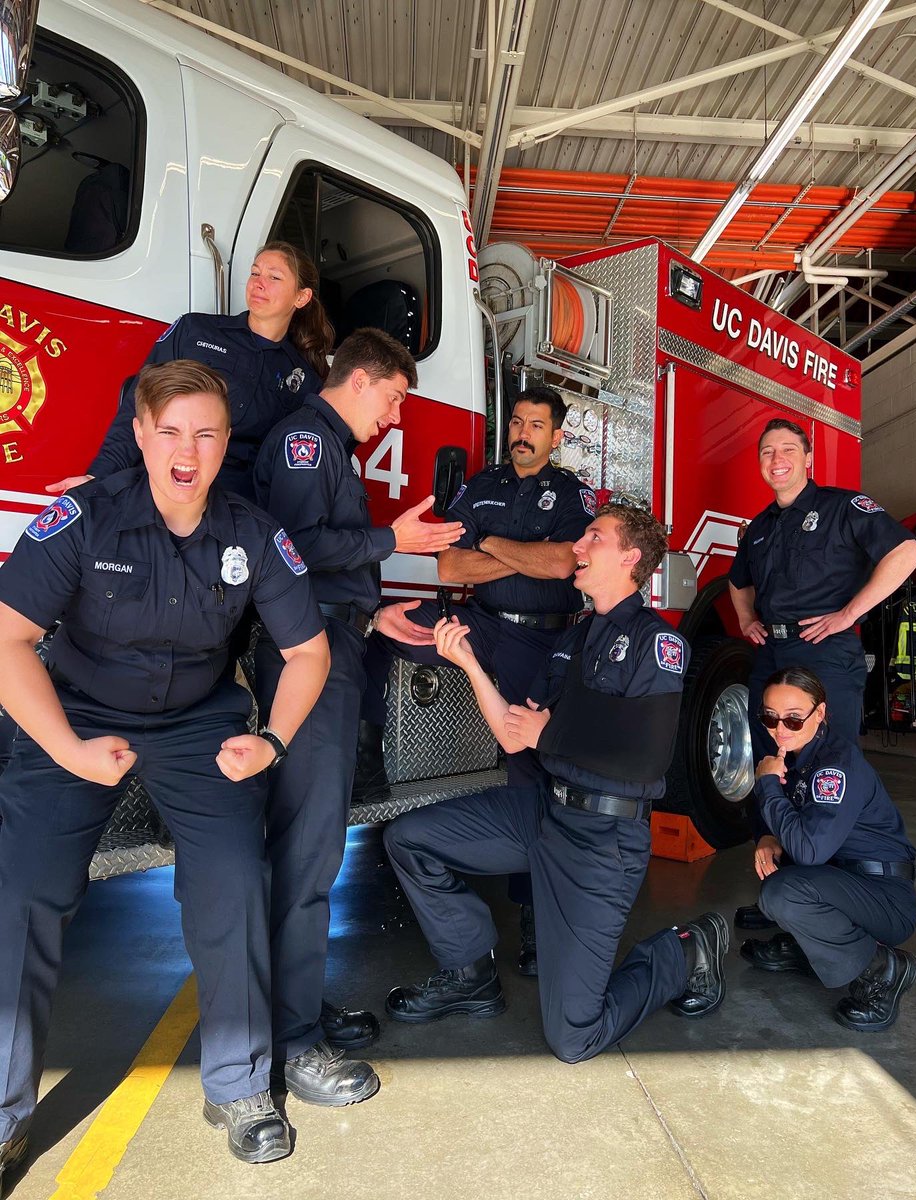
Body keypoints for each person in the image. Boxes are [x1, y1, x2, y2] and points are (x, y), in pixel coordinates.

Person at [0, 361, 330, 1173]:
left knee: (231, 879)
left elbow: (309, 651)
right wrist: (68, 749)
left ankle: (241, 1083)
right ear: (142, 434)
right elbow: (6, 638)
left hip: (199, 722)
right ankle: (4, 1111)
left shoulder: (252, 533)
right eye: (171, 430)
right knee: (25, 890)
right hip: (78, 712)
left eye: (207, 433)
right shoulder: (82, 516)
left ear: (225, 444)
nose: (188, 450)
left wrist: (273, 742)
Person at [382, 503, 728, 1064]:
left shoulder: (657, 643)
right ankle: (470, 974)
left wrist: (553, 733)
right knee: (410, 838)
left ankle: (687, 952)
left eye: (594, 537)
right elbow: (517, 735)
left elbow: (642, 756)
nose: (579, 547)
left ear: (630, 558)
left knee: (574, 1038)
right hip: (543, 813)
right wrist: (469, 663)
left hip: (601, 840)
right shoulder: (574, 638)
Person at [250, 328, 465, 1105]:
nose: (398, 415)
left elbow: (319, 566)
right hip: (309, 664)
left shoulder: (328, 446)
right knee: (307, 852)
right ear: (364, 379)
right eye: (397, 396)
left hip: (334, 646)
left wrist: (373, 616)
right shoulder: (308, 441)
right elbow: (294, 547)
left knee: (312, 848)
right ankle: (289, 1042)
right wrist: (393, 539)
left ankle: (292, 1006)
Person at [360, 385, 596, 974]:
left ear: (556, 435)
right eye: (517, 422)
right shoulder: (483, 486)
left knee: (529, 766)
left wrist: (488, 542)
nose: (523, 432)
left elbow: (565, 563)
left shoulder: (572, 493)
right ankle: (364, 752)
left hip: (543, 638)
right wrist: (523, 552)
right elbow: (448, 564)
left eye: (536, 425)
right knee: (388, 628)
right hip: (484, 622)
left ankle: (537, 921)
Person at [728, 418, 916, 930]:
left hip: (825, 653)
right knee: (771, 759)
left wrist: (850, 613)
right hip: (773, 653)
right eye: (767, 451)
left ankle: (831, 894)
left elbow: (908, 552)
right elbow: (738, 582)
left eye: (788, 449)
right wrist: (747, 619)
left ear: (809, 457)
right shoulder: (761, 528)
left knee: (827, 769)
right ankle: (781, 888)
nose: (777, 459)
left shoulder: (844, 507)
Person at [45, 241, 333, 501]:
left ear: (301, 297)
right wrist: (100, 476)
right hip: (164, 486)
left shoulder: (304, 379)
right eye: (255, 273)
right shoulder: (196, 330)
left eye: (274, 277)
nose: (258, 283)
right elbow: (141, 402)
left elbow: (290, 467)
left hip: (236, 507)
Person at [741, 666, 916, 1031]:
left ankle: (881, 969)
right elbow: (785, 822)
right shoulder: (793, 751)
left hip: (883, 898)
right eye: (769, 717)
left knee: (783, 893)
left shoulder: (834, 767)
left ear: (819, 713)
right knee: (776, 877)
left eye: (793, 719)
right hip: (842, 880)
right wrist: (766, 835)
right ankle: (806, 947)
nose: (779, 729)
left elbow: (808, 851)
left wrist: (769, 786)